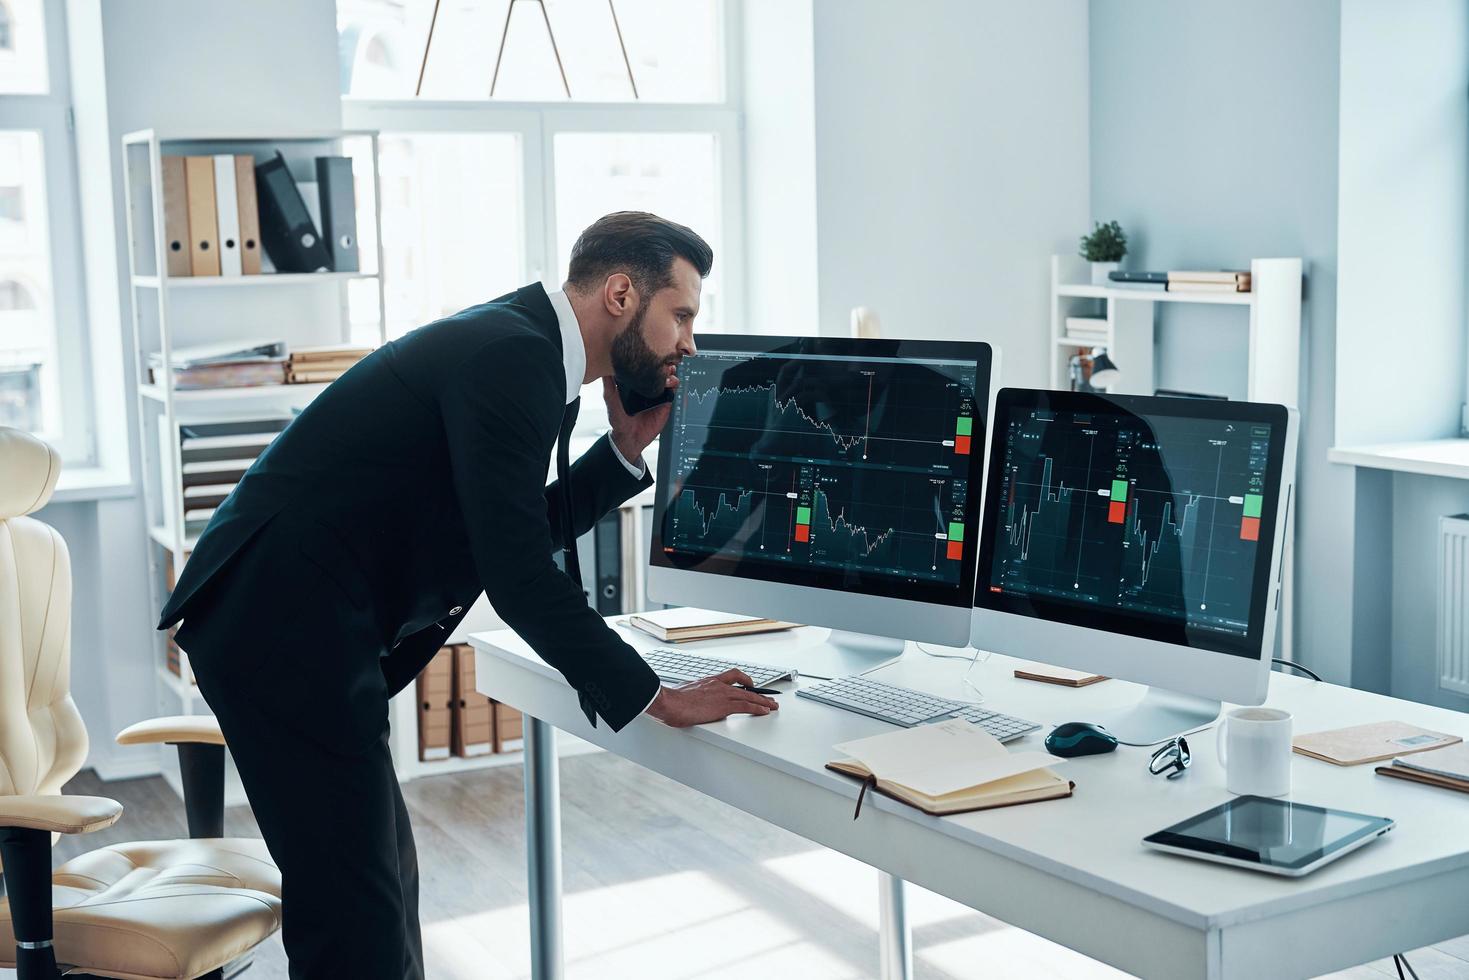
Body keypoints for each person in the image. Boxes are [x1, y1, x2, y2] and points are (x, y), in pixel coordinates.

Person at [158, 211, 778, 979]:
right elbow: (517, 575)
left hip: (303, 628)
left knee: (380, 887)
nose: (690, 342)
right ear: (621, 293)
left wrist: (620, 451)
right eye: (680, 314)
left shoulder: (526, 351)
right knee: (355, 916)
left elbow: (498, 533)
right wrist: (657, 694)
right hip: (278, 630)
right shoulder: (513, 360)